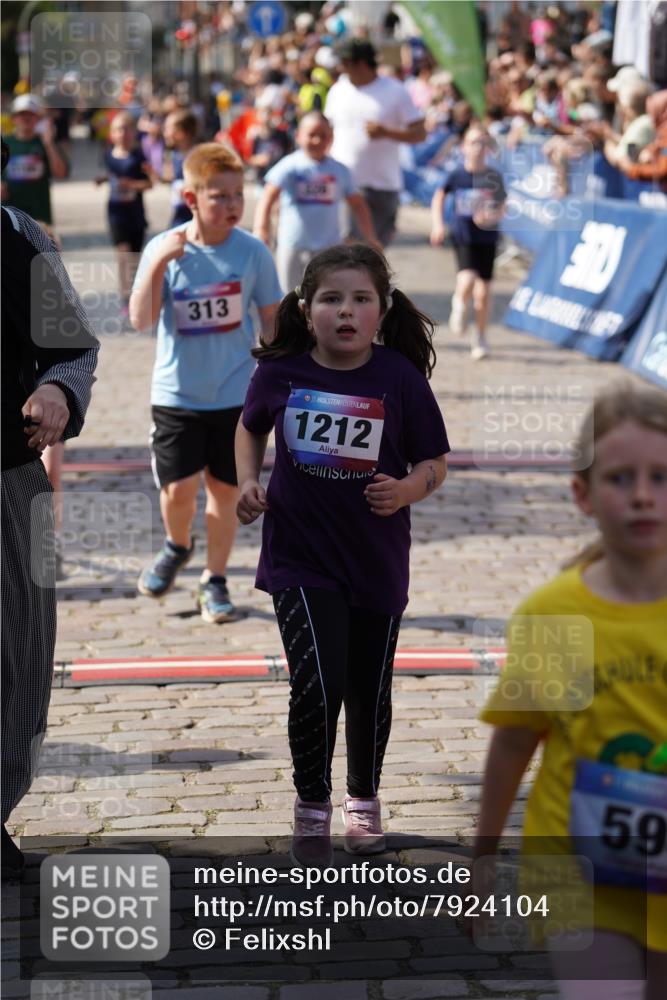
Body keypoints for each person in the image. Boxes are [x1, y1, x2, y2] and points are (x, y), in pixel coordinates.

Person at [235, 244, 449, 866]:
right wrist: (249, 481)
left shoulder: (399, 380)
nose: (346, 312)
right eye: (331, 299)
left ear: (382, 310)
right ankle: (311, 804)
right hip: (301, 557)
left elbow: (434, 461)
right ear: (306, 309)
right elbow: (249, 425)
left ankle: (364, 798)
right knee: (316, 682)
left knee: (368, 685)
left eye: (360, 300)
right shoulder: (280, 374)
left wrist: (409, 488)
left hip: (376, 559)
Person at [474, 384, 667, 999]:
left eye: (661, 477)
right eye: (620, 478)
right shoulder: (559, 615)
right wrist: (482, 859)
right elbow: (514, 742)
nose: (642, 495)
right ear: (582, 494)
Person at [130, 143, 282, 623]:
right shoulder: (163, 247)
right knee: (177, 492)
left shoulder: (252, 252)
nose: (233, 205)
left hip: (236, 395)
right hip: (176, 394)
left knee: (224, 492)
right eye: (219, 196)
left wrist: (280, 377)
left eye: (239, 195)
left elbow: (272, 320)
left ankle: (214, 581)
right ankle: (177, 544)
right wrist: (159, 264)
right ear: (190, 197)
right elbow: (139, 320)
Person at [1, 158, 98, 878]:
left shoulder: (18, 238)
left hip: (7, 480)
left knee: (15, 658)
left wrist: (59, 392)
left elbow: (70, 348)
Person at [253, 111, 378, 293]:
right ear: (298, 136)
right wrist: (261, 228)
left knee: (328, 294)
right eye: (312, 135)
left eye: (324, 135)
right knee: (289, 295)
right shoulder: (290, 165)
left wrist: (370, 237)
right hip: (293, 245)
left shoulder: (340, 171)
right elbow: (268, 195)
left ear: (332, 138)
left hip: (329, 249)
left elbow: (358, 204)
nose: (318, 140)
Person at [325, 39, 425, 246]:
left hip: (382, 185)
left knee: (374, 253)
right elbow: (328, 131)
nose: (339, 68)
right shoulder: (338, 90)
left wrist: (386, 132)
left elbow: (419, 133)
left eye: (344, 62)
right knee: (343, 251)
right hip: (345, 183)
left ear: (361, 63)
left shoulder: (395, 90)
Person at [430, 124, 506, 361]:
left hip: (487, 238)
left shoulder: (493, 176)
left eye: (484, 143)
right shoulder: (457, 175)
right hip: (464, 236)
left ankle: (480, 337)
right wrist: (438, 224)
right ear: (464, 147)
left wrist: (490, 216)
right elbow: (439, 196)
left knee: (483, 293)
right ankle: (460, 304)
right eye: (474, 142)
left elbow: (503, 205)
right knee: (467, 281)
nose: (479, 148)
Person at [94, 111, 152, 313]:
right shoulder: (108, 154)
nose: (123, 133)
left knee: (134, 257)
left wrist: (133, 185)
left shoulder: (139, 156)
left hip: (135, 213)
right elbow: (109, 175)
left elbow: (149, 184)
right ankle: (125, 297)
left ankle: (136, 293)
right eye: (119, 129)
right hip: (115, 213)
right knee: (122, 254)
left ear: (134, 133)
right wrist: (102, 179)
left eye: (127, 129)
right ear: (112, 133)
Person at [2, 94, 68, 232]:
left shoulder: (46, 143)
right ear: (14, 118)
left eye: (31, 114)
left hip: (40, 219)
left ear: (38, 118)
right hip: (9, 218)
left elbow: (61, 173)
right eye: (21, 114)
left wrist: (49, 144)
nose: (26, 118)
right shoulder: (5, 144)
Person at [161, 109, 199, 228]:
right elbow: (171, 178)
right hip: (180, 212)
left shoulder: (197, 156)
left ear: (182, 132)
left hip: (196, 215)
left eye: (168, 128)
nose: (165, 133)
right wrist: (156, 176)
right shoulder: (173, 154)